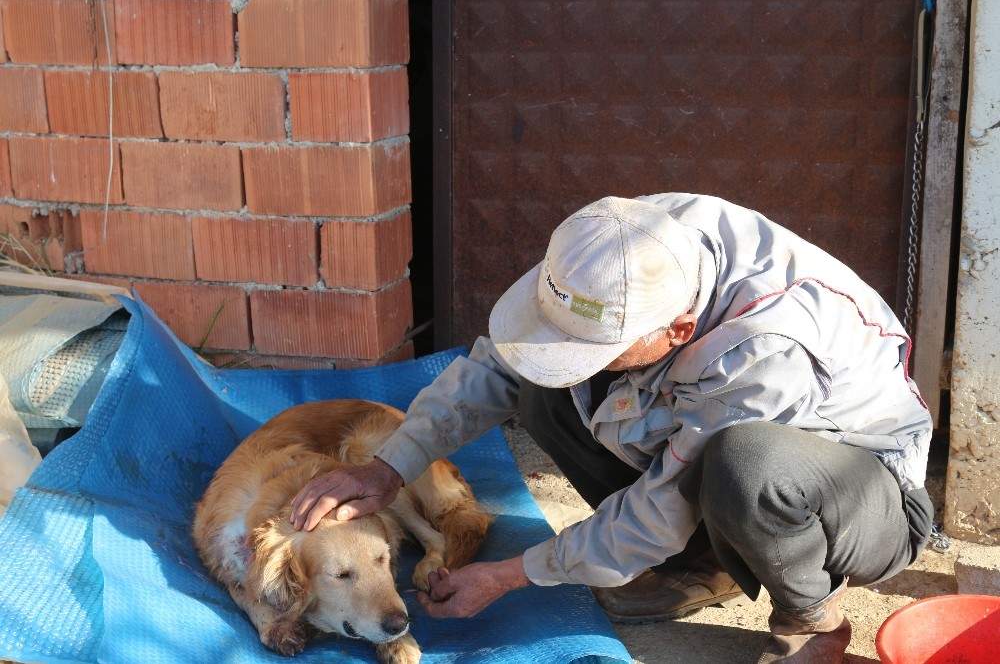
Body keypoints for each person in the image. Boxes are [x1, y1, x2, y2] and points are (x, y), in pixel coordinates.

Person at [290, 193, 933, 663]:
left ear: (677, 331)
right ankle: (703, 563)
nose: (574, 354)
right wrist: (389, 466)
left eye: (600, 347)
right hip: (720, 438)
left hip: (862, 493)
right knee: (544, 384)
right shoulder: (610, 251)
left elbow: (657, 508)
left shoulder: (766, 355)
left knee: (747, 465)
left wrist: (514, 574)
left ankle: (811, 620)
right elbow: (499, 365)